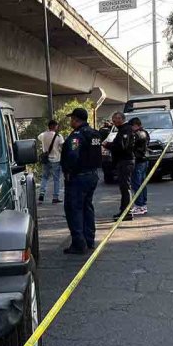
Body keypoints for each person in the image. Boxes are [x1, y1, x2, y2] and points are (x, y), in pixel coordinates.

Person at [60, 108, 101, 254]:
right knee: (87, 207)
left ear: (76, 120)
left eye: (72, 119)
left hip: (79, 177)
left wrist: (69, 171)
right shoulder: (95, 134)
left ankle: (78, 243)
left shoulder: (77, 136)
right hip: (92, 175)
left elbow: (73, 154)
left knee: (74, 209)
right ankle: (89, 239)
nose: (70, 121)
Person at [104, 112, 136, 221]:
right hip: (123, 162)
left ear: (121, 119)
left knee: (125, 187)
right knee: (123, 188)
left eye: (115, 119)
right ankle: (124, 211)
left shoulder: (125, 130)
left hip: (125, 162)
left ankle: (127, 212)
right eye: (113, 119)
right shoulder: (122, 130)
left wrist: (108, 145)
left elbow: (121, 146)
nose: (113, 121)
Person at [37, 120, 64, 203]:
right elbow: (62, 146)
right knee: (56, 179)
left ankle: (42, 193)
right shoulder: (59, 136)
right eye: (56, 126)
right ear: (54, 126)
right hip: (56, 159)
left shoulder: (43, 135)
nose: (57, 127)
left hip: (46, 159)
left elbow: (39, 137)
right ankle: (55, 197)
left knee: (45, 177)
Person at [129, 117, 150, 216]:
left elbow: (131, 147)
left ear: (135, 125)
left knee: (136, 184)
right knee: (142, 183)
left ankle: (139, 205)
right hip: (145, 160)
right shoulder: (145, 133)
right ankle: (143, 205)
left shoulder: (136, 135)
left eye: (131, 126)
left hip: (138, 161)